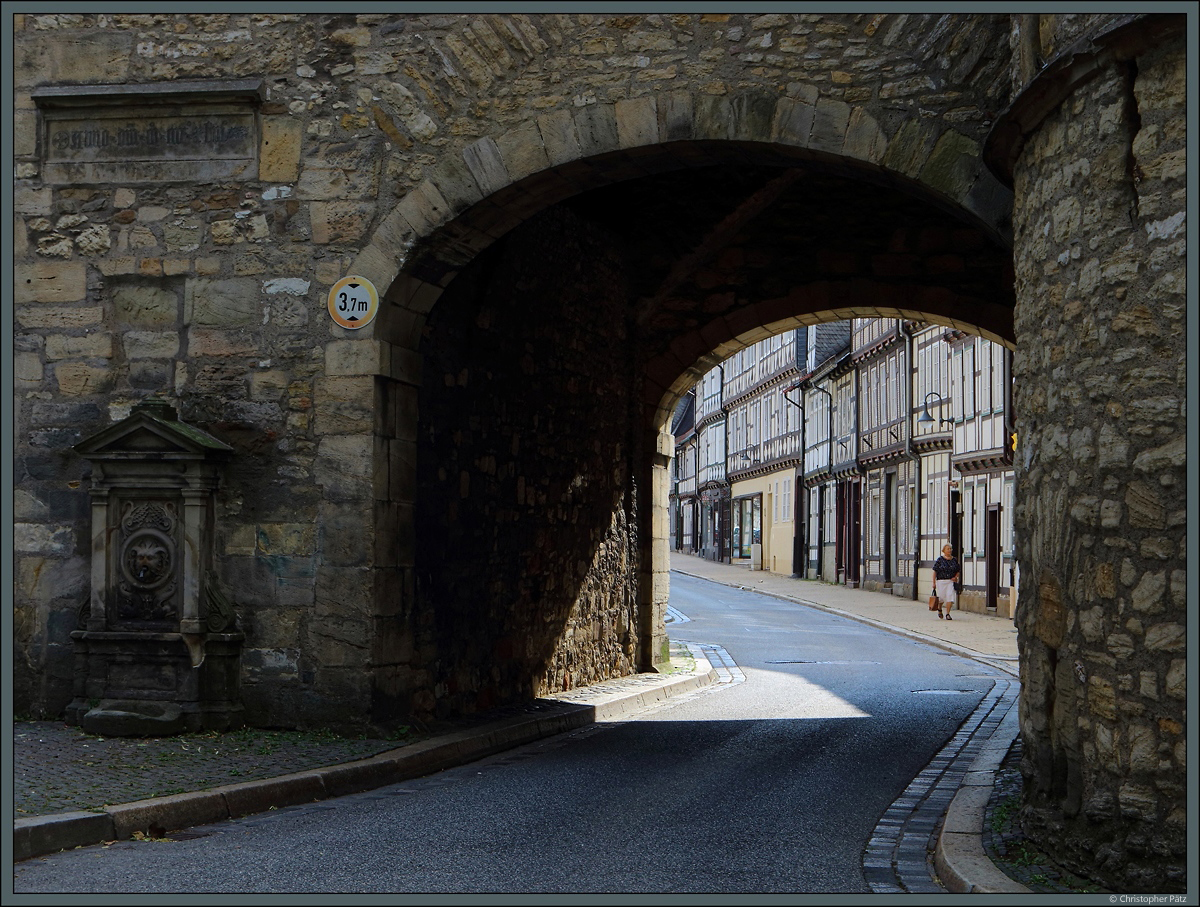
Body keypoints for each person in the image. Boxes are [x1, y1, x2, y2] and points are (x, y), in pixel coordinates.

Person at [932, 543, 961, 620]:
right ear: (943, 550)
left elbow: (958, 570)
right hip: (941, 581)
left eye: (950, 549)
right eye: (948, 549)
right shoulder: (940, 560)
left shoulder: (954, 560)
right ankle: (939, 608)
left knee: (950, 597)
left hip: (950, 581)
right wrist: (934, 583)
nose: (949, 550)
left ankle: (948, 614)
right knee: (941, 598)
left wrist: (955, 577)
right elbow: (935, 571)